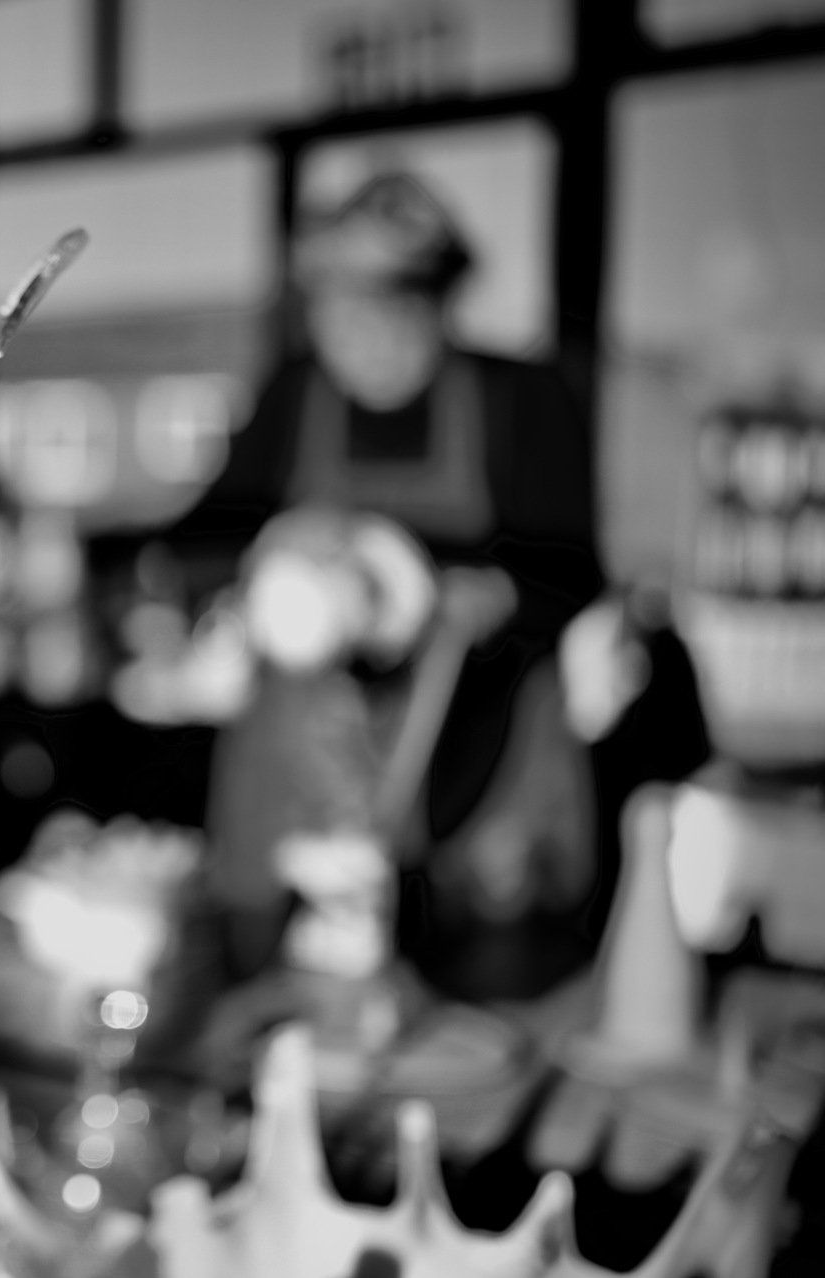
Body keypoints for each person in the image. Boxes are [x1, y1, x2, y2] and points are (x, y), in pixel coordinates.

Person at [150, 172, 707, 978]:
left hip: (486, 758)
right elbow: (199, 541)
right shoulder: (294, 395)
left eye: (384, 305)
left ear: (440, 302)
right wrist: (268, 554)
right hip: (303, 767)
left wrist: (487, 590)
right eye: (335, 306)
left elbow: (572, 576)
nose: (357, 332)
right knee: (291, 982)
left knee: (494, 980)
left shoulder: (520, 398)